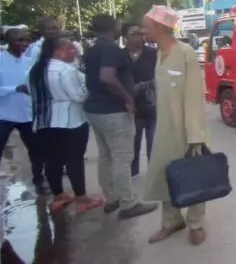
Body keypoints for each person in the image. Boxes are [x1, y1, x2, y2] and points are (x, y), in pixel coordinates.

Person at [141, 6, 208, 246]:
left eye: (146, 26)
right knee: (165, 175)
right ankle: (171, 221)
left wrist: (195, 136)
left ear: (159, 27)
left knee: (192, 177)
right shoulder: (158, 54)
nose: (142, 31)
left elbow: (193, 96)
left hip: (187, 132)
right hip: (164, 131)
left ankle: (196, 223)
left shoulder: (186, 52)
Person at [83, 14, 157, 219]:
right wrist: (127, 98)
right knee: (122, 157)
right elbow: (107, 77)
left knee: (106, 155)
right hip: (113, 111)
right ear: (113, 27)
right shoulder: (110, 48)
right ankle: (127, 203)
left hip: (96, 109)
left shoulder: (92, 49)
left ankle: (112, 198)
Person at [28, 37, 103, 212]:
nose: (74, 51)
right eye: (69, 49)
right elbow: (78, 96)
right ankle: (81, 198)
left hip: (45, 121)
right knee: (74, 159)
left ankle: (59, 195)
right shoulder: (65, 71)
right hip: (71, 121)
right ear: (57, 51)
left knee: (52, 159)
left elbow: (28, 91)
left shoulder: (35, 70)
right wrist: (87, 90)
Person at [0, 28, 47, 193]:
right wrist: (15, 89)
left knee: (37, 151)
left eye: (26, 40)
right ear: (8, 41)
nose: (24, 44)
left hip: (26, 115)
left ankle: (39, 181)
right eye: (19, 40)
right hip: (4, 116)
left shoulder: (29, 62)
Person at [122, 23, 158, 177]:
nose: (139, 37)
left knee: (154, 146)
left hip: (153, 107)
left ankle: (153, 175)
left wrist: (147, 84)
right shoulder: (119, 55)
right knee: (132, 146)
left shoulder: (153, 53)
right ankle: (132, 172)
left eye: (140, 34)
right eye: (134, 34)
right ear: (125, 38)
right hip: (131, 110)